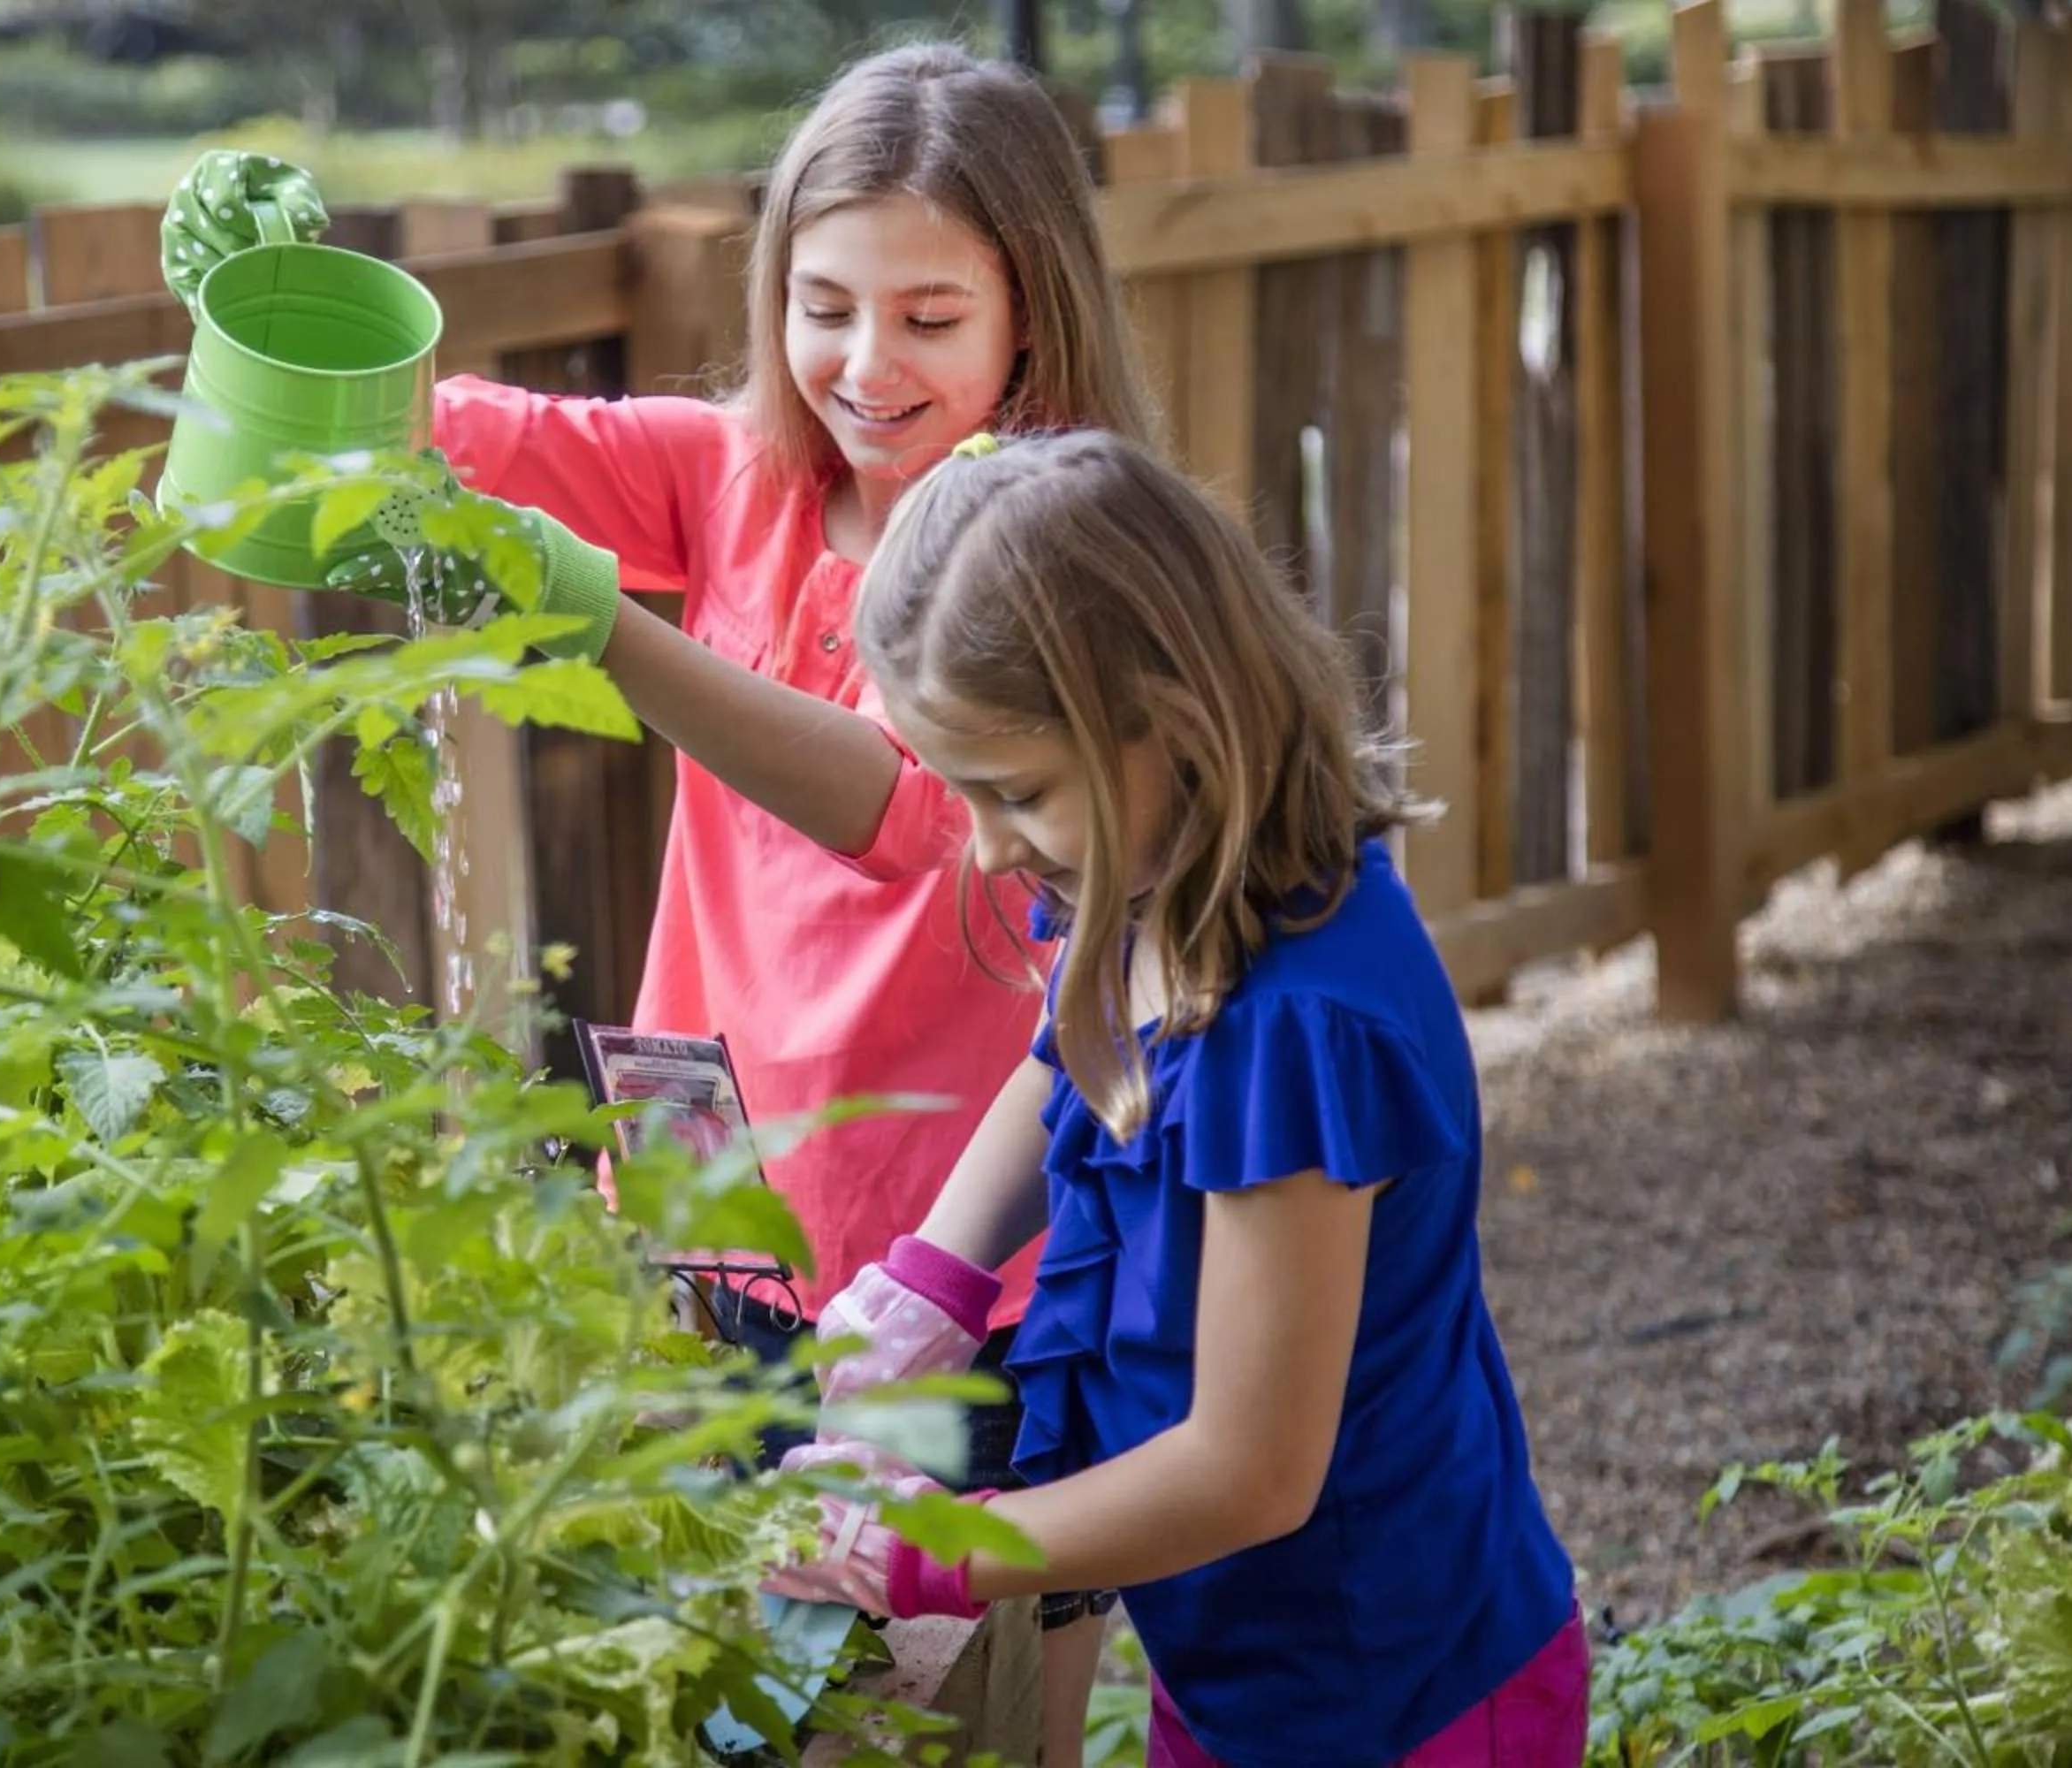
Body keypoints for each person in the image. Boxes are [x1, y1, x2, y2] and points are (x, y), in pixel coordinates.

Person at [158, 41, 1161, 1759]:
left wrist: (607, 630)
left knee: (971, 1710)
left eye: (930, 316)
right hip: (711, 1222)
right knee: (742, 1698)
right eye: (825, 304)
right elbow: (421, 453)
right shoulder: (734, 475)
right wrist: (274, 316)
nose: (865, 364)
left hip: (961, 1258)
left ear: (1033, 318)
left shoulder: (1052, 549)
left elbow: (904, 811)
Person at [760, 428, 1588, 1768]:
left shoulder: (1301, 1028)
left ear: (1175, 715)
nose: (985, 845)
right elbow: (1073, 1054)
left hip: (1399, 1699)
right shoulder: (1147, 875)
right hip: (1239, 1667)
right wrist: (938, 1275)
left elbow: (1252, 1470)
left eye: (1014, 791)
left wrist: (941, 1553)